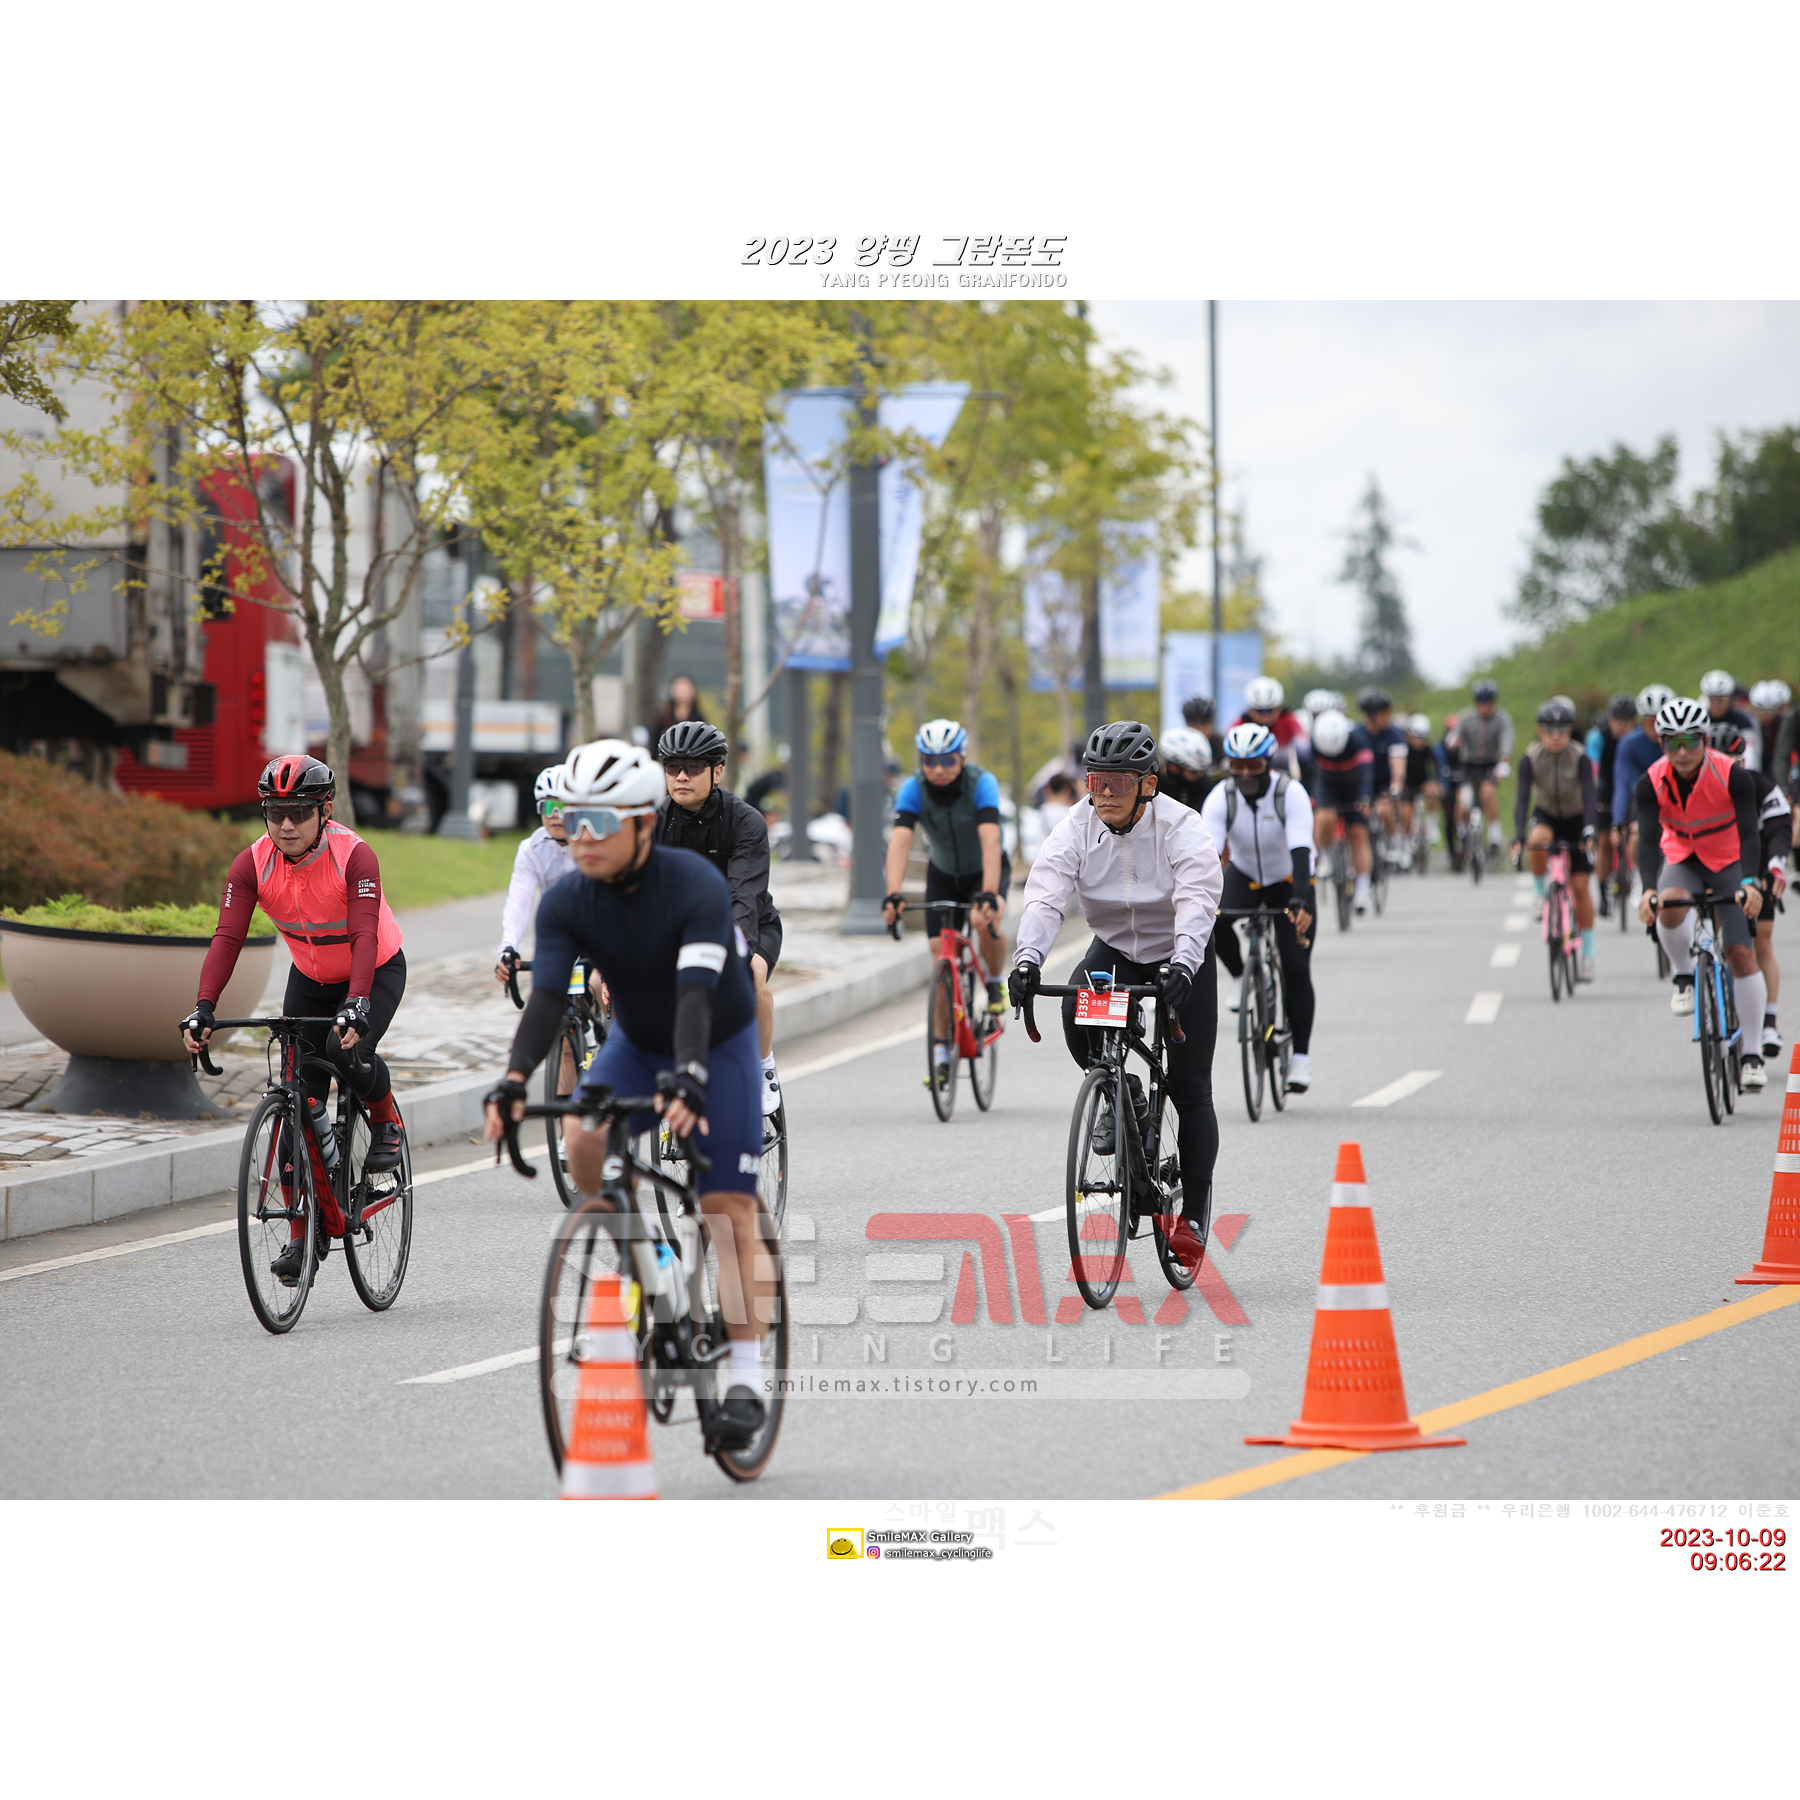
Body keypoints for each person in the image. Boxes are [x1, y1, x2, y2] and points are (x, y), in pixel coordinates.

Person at [482, 740, 773, 1449]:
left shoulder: (693, 886)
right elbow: (546, 1000)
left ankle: (745, 1376)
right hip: (639, 1042)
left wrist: (693, 1074)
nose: (580, 836)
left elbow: (698, 991)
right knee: (582, 1137)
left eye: (600, 821)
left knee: (726, 1208)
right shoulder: (569, 899)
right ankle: (654, 1264)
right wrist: (513, 1080)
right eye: (573, 817)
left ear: (643, 824)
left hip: (718, 1040)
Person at [181, 754, 407, 1286]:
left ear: (324, 811)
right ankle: (302, 1235)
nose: (286, 824)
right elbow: (228, 938)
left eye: (300, 812)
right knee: (295, 1099)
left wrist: (357, 1002)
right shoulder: (251, 864)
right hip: (309, 978)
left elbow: (364, 935)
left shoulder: (356, 856)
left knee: (343, 1049)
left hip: (372, 969)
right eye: (275, 812)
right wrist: (204, 1006)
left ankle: (386, 1121)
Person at [1007, 720, 1223, 1271]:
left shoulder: (1183, 827)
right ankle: (1120, 1086)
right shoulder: (1075, 828)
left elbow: (1198, 899)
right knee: (1075, 1007)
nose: (1103, 793)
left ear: (1147, 785)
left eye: (1118, 783)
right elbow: (1046, 896)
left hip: (1180, 951)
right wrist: (1027, 960)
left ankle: (1194, 1216)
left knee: (1191, 1087)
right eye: (1094, 781)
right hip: (1118, 949)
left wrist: (1185, 964)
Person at [1633, 697, 1770, 1090]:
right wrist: (1647, 889)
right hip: (1684, 857)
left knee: (1741, 954)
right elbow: (1648, 841)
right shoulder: (1650, 781)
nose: (1681, 752)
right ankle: (1683, 976)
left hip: (1728, 860)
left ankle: (1752, 1054)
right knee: (1669, 903)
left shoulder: (1732, 775)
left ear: (1705, 741)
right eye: (1672, 743)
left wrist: (1749, 882)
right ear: (1661, 744)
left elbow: (1750, 834)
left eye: (1690, 741)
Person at [654, 720, 785, 1117]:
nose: (681, 776)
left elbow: (743, 896)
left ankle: (763, 1068)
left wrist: (737, 956)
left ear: (718, 772)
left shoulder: (745, 821)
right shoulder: (654, 822)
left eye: (693, 767)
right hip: (680, 929)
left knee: (752, 978)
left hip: (749, 924)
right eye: (672, 767)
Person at [883, 721, 1011, 1088]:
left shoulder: (981, 783)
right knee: (940, 955)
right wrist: (893, 893)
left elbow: (991, 840)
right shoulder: (913, 788)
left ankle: (995, 981)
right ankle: (941, 1052)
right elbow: (900, 842)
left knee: (983, 919)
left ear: (963, 758)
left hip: (984, 871)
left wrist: (990, 892)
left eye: (948, 760)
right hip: (942, 874)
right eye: (929, 761)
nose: (938, 769)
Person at [1200, 723, 1317, 1092]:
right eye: (1238, 766)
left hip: (1290, 879)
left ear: (1268, 763)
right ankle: (1241, 976)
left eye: (1253, 766)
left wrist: (1301, 898)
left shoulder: (1290, 793)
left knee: (1296, 967)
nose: (1246, 774)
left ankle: (1300, 1059)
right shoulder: (1221, 796)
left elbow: (1301, 848)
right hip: (1246, 873)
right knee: (1212, 918)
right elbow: (1208, 854)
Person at [1711, 722, 1791, 1059]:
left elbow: (1779, 826)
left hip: (1754, 867)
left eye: (1730, 763)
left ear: (1742, 762)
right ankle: (1710, 981)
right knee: (1712, 933)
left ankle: (1769, 1021)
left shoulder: (1760, 785)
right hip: (1715, 866)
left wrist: (1775, 864)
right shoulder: (1697, 789)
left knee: (1761, 942)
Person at [1513, 698, 1598, 978]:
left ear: (1570, 730)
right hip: (1547, 815)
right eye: (1549, 730)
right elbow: (1522, 798)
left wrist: (1589, 829)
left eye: (1562, 730)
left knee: (1581, 886)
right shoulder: (1530, 757)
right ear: (1540, 731)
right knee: (1537, 839)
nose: (1556, 736)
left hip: (1577, 819)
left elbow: (1590, 796)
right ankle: (1540, 894)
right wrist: (1518, 834)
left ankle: (1588, 954)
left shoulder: (1580, 757)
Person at [496, 765, 574, 984]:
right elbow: (519, 904)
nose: (555, 815)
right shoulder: (531, 849)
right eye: (548, 806)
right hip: (558, 936)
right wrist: (507, 947)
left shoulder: (594, 841)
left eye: (564, 807)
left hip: (597, 934)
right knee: (543, 993)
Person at [1309, 708, 1375, 911]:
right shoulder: (1314, 741)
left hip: (1354, 786)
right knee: (1324, 817)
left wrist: (1365, 798)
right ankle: (1327, 856)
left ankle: (1362, 890)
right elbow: (1310, 772)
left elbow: (1367, 773)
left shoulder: (1358, 740)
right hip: (1328, 785)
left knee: (1358, 833)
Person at [1449, 680, 1514, 855]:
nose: (1485, 706)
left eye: (1488, 702)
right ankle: (1462, 833)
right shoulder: (1466, 717)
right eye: (1481, 702)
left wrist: (1504, 762)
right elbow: (1455, 737)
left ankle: (1494, 836)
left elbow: (1506, 743)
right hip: (1468, 764)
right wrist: (1454, 742)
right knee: (1463, 799)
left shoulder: (1502, 719)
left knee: (1488, 793)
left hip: (1489, 764)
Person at [1589, 694, 1639, 911]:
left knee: (1634, 833)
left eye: (1626, 721)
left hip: (1631, 788)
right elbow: (1592, 770)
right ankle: (1602, 892)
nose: (1620, 726)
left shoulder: (1638, 738)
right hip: (1605, 788)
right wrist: (1595, 798)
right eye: (1616, 720)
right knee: (1604, 842)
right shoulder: (1598, 737)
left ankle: (1635, 875)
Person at [1358, 689, 1410, 859]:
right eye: (1384, 714)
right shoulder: (1357, 734)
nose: (1388, 717)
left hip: (1385, 783)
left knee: (1384, 810)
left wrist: (1396, 786)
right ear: (1372, 716)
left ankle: (1393, 841)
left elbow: (1398, 765)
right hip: (1362, 782)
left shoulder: (1394, 735)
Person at [1233, 676, 1308, 781]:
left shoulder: (1289, 722)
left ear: (1279, 709)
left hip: (1284, 779)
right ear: (1250, 711)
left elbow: (1305, 756)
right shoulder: (1239, 726)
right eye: (1259, 711)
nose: (1265, 716)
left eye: (1269, 711)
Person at [1400, 712, 1442, 864]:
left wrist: (1436, 782)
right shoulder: (1403, 750)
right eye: (1417, 737)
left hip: (1423, 783)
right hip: (1407, 785)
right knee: (1406, 813)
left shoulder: (1428, 751)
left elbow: (1436, 767)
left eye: (1423, 738)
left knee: (1432, 792)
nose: (1420, 742)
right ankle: (1405, 846)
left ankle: (1432, 822)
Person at [1699, 670, 1760, 773]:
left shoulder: (1743, 721)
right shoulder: (1701, 719)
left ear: (1729, 699)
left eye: (1720, 699)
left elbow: (1751, 754)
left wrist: (1750, 774)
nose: (1716, 704)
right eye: (1712, 699)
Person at [1749, 679, 1793, 795]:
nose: (1766, 716)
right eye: (1761, 711)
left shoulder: (1784, 723)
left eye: (1770, 711)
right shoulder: (1748, 724)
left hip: (1777, 764)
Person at [1156, 727, 1214, 812]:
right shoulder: (1150, 784)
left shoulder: (1204, 786)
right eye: (1194, 772)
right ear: (1173, 768)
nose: (1201, 775)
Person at [653, 673, 707, 741]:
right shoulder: (664, 718)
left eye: (685, 689)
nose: (682, 692)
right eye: (680, 689)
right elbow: (655, 740)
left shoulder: (698, 719)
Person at [1182, 695, 1225, 769]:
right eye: (1193, 723)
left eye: (1204, 723)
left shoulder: (1221, 744)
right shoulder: (1180, 744)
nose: (1199, 728)